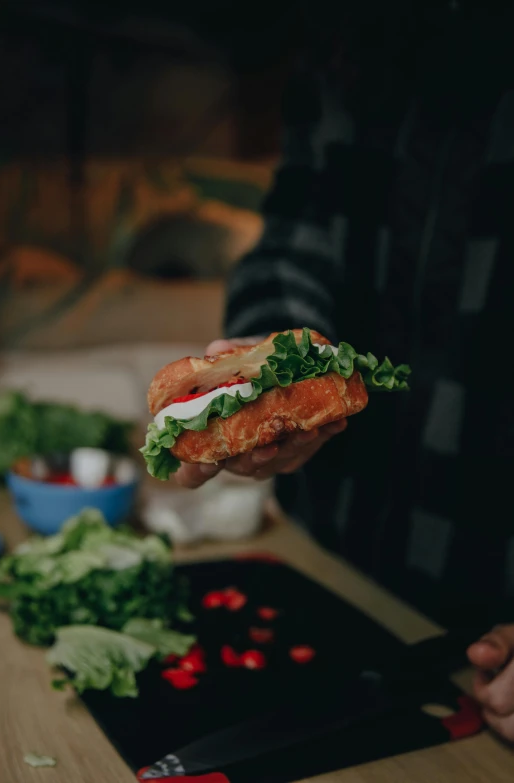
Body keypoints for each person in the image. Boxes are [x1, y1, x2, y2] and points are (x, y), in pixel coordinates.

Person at [177, 1, 514, 741]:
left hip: (494, 631)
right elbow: (293, 239)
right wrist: (270, 354)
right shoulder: (344, 42)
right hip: (333, 569)